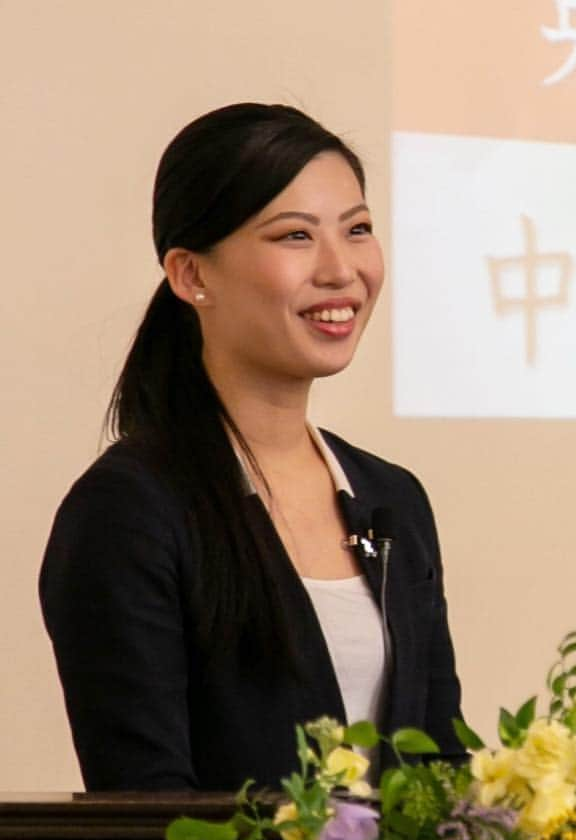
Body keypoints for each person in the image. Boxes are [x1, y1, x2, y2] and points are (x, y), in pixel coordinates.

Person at [39, 103, 465, 791]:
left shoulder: (392, 500)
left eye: (357, 230)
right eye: (295, 236)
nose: (340, 270)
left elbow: (441, 772)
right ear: (191, 276)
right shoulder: (129, 510)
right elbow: (141, 813)